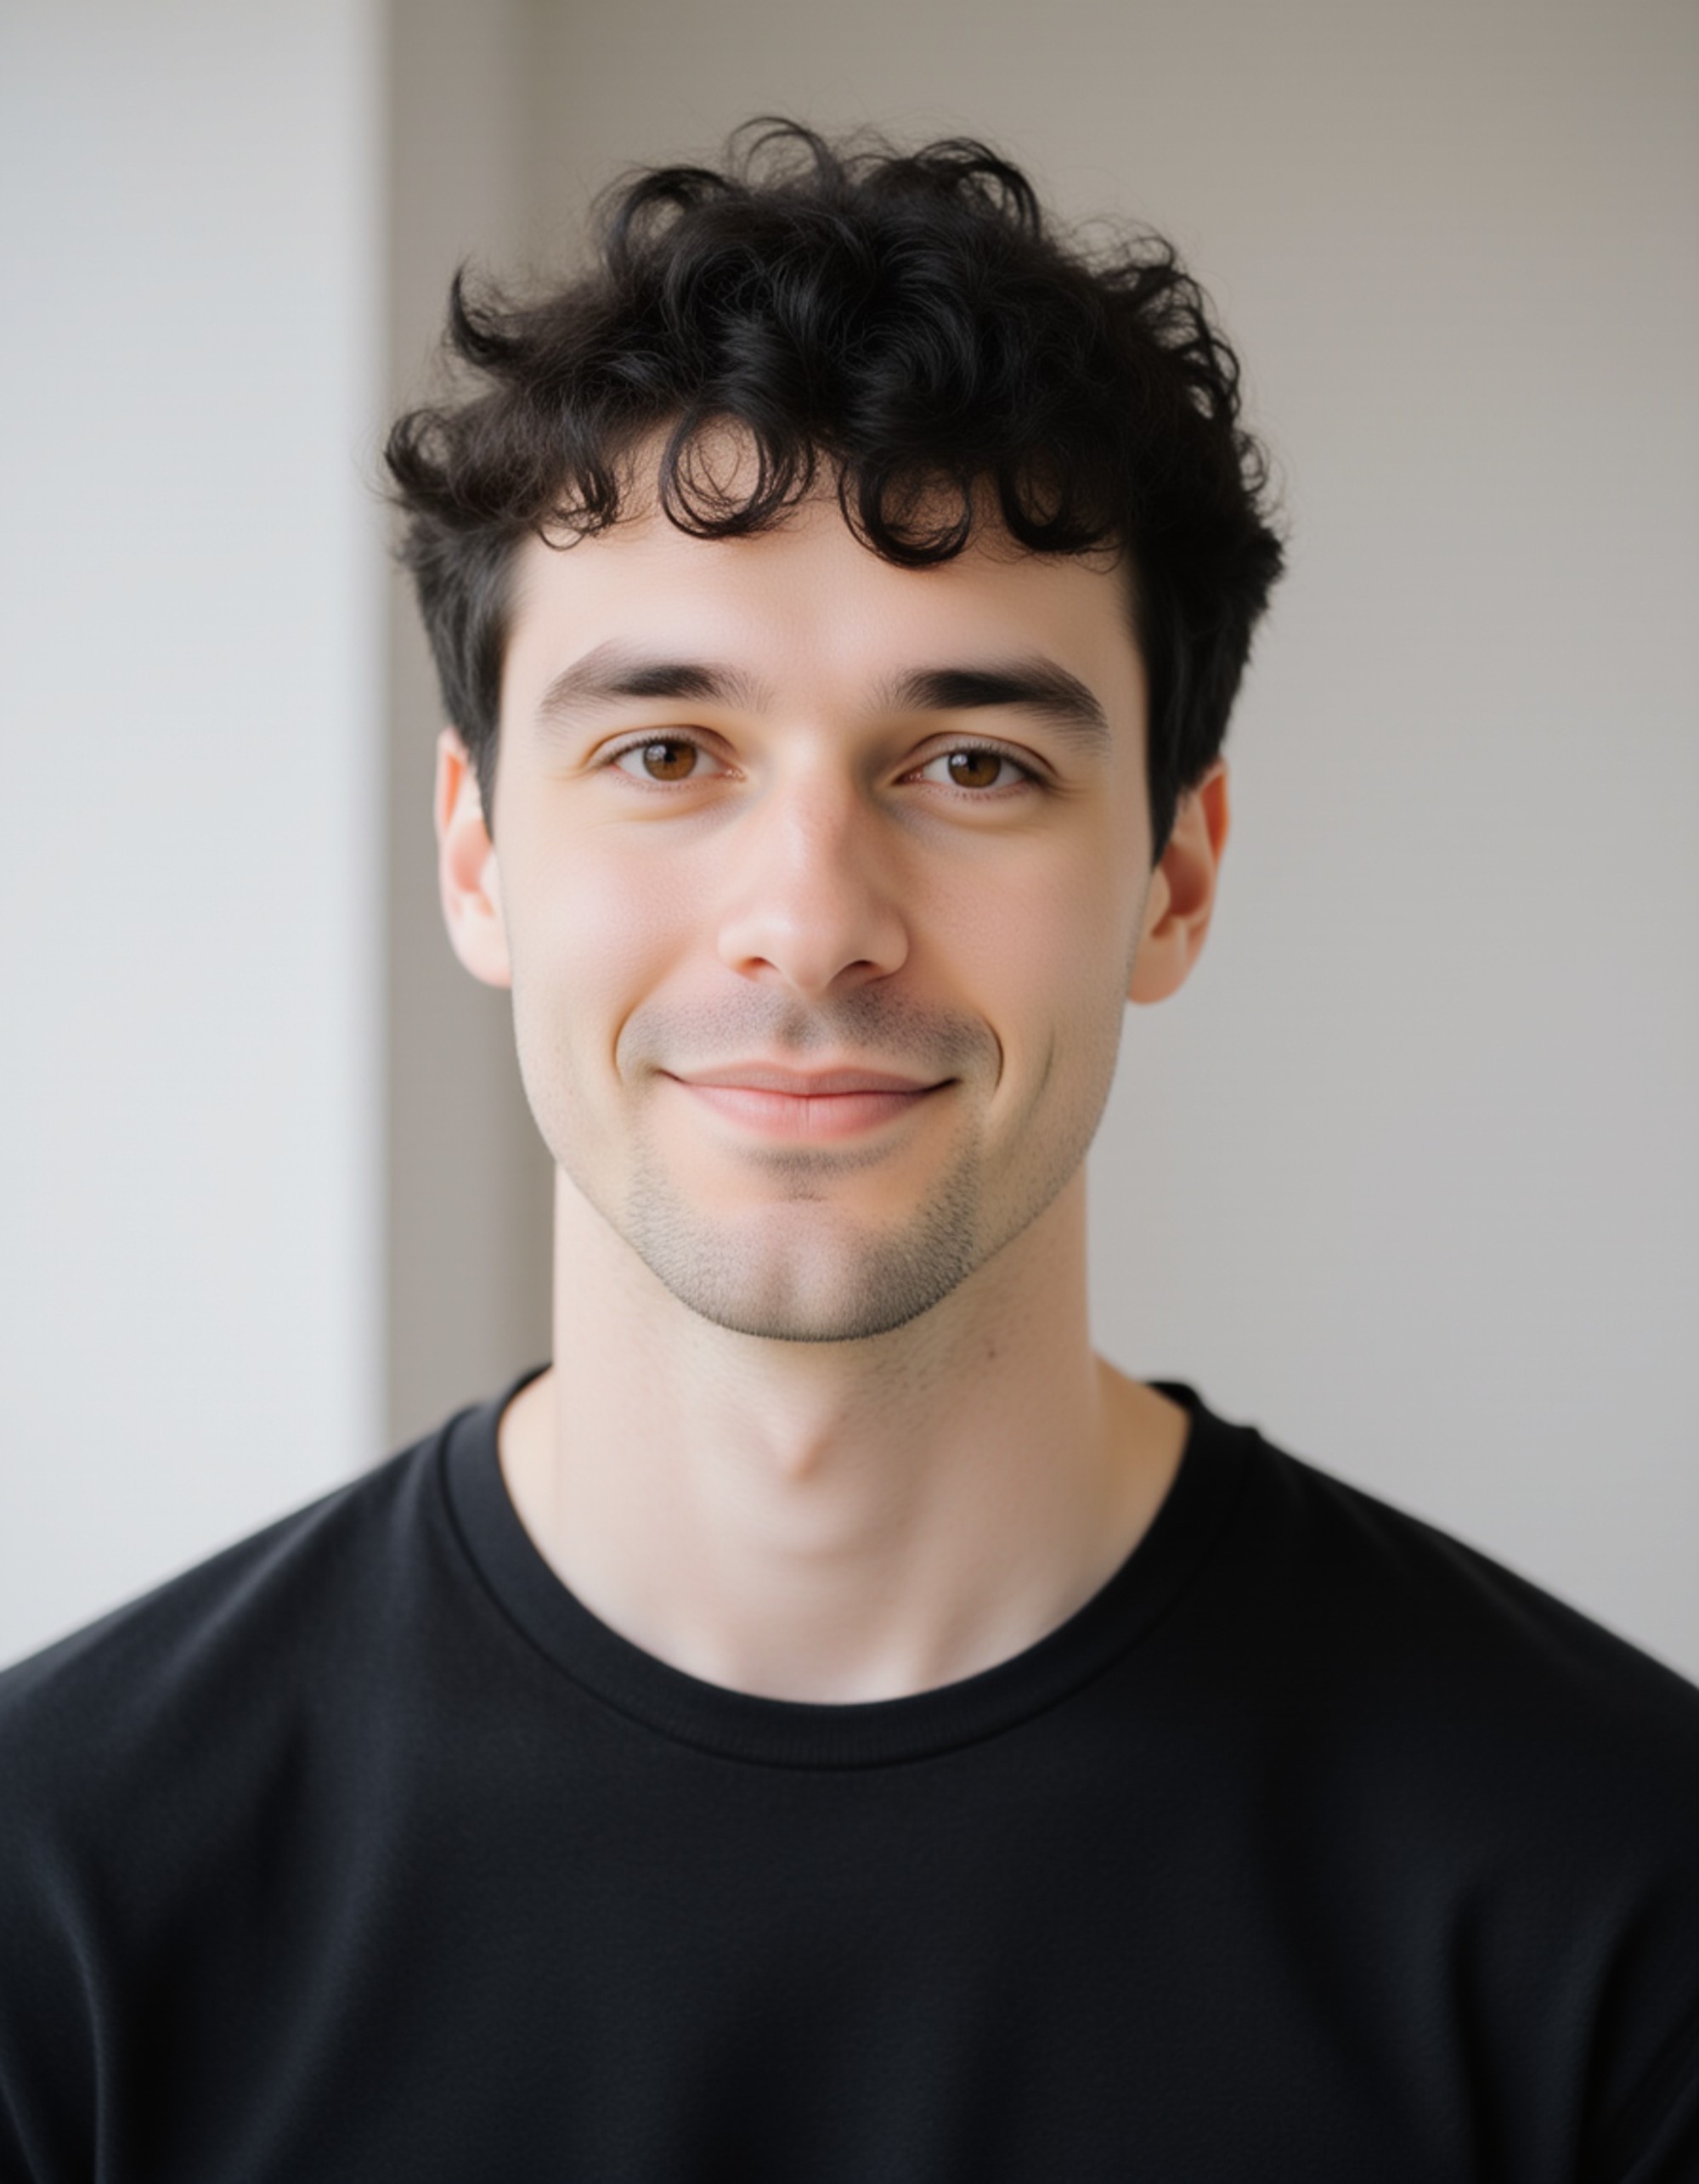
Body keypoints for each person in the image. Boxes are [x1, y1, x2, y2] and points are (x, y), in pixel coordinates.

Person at [2, 121, 1696, 2181]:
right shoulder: (57, 1898)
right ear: (478, 855)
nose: (809, 922)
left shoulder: (1624, 1906)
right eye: (664, 751)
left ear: (1172, 876)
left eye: (970, 761)